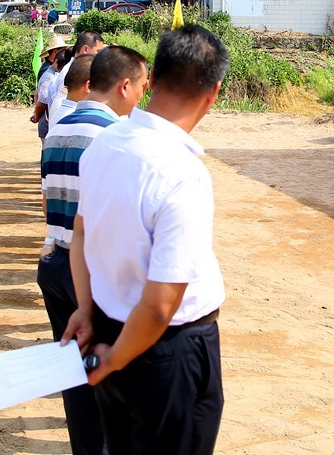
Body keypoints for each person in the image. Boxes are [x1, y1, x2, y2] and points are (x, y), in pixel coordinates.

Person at [63, 26, 228, 455]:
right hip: (166, 350)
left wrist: (85, 308)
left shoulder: (105, 144)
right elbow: (159, 304)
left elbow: (80, 234)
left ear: (151, 77)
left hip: (107, 325)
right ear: (213, 92)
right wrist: (117, 356)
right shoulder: (181, 171)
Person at [39, 47, 147, 455]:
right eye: (141, 86)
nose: (142, 96)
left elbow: (48, 200)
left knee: (74, 372)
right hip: (93, 271)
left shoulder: (59, 128)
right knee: (110, 372)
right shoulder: (114, 136)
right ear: (124, 85)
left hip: (55, 261)